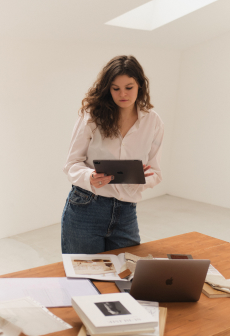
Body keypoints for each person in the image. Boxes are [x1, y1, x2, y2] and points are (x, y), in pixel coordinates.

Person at [62, 55, 164, 254]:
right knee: (84, 278)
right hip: (86, 206)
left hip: (126, 212)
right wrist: (89, 177)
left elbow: (156, 173)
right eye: (115, 88)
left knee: (127, 277)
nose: (122, 94)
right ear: (108, 89)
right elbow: (71, 164)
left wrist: (139, 178)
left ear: (140, 86)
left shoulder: (153, 122)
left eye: (129, 87)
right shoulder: (92, 116)